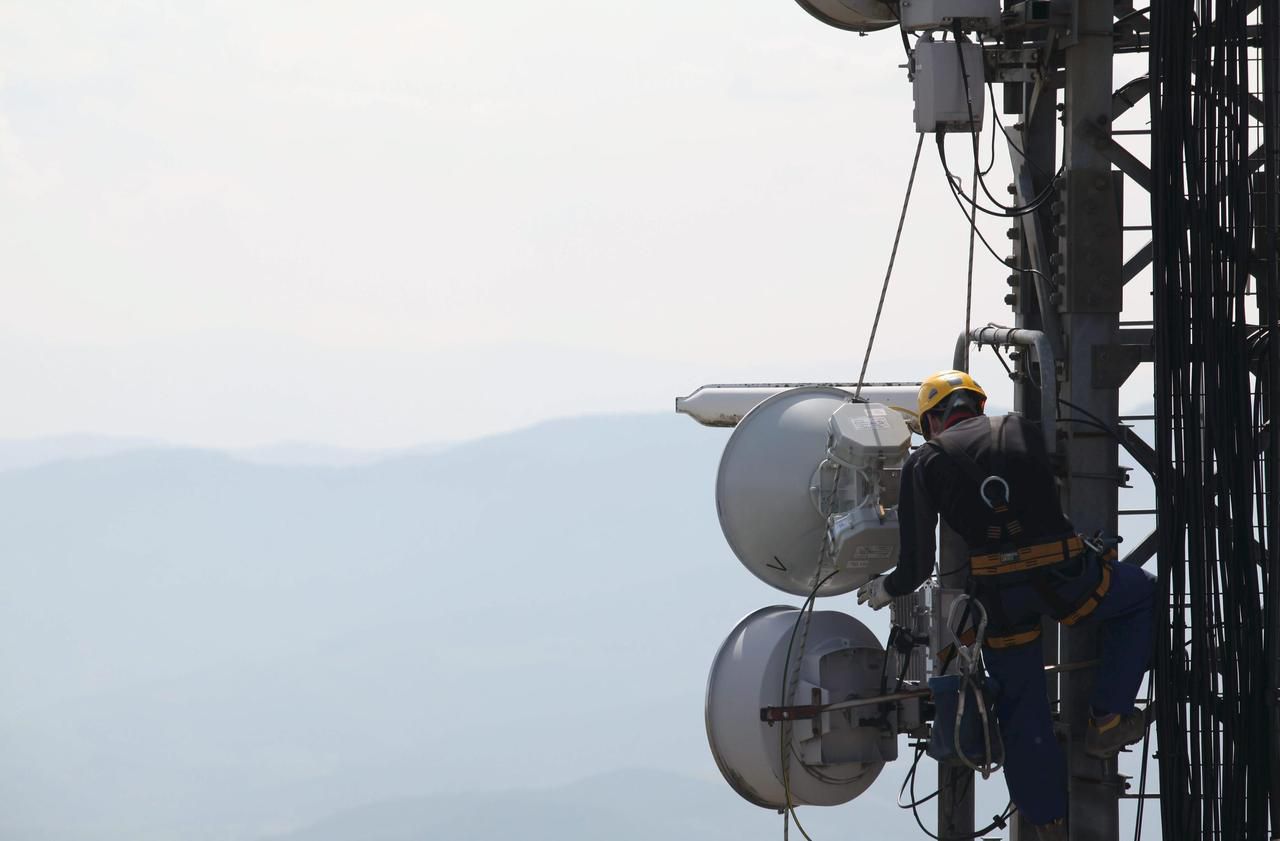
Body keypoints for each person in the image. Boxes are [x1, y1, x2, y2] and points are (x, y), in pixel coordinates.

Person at [855, 370, 1156, 841]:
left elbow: (917, 567)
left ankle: (1050, 825)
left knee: (1022, 708)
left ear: (932, 420)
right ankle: (1109, 718)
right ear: (975, 405)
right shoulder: (1021, 428)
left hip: (1001, 595)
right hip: (1065, 576)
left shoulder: (924, 463)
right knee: (1142, 597)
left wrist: (886, 590)